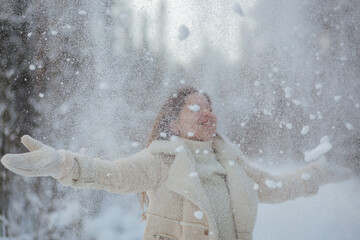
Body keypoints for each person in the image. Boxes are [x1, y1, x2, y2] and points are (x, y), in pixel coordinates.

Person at [1, 86, 352, 240]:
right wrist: (62, 163)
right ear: (174, 123)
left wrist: (321, 172)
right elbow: (111, 174)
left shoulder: (232, 163)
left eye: (210, 107)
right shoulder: (160, 162)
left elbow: (277, 188)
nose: (207, 113)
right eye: (196, 108)